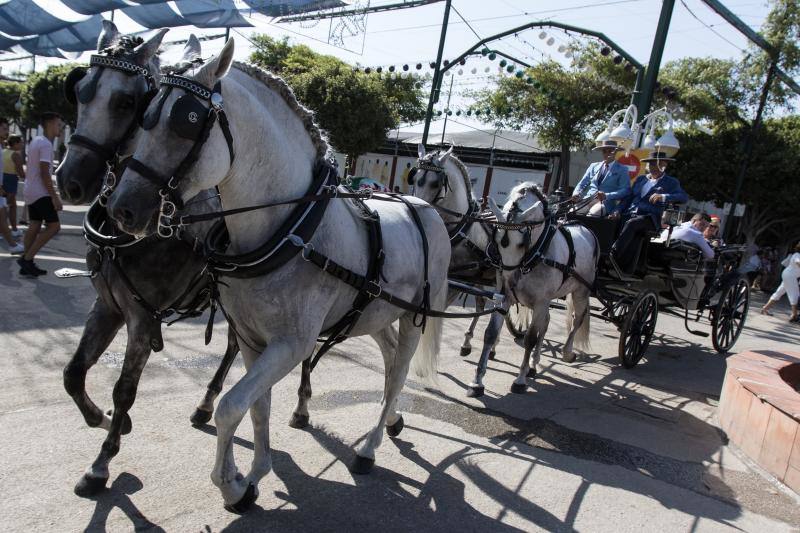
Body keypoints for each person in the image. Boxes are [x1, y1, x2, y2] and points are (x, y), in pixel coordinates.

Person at [610, 151, 688, 273]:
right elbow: (628, 198)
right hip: (630, 214)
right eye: (652, 165)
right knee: (610, 221)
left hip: (651, 218)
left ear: (665, 165)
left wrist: (663, 196)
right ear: (648, 166)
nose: (655, 168)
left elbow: (683, 197)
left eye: (659, 165)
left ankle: (614, 253)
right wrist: (617, 210)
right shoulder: (641, 179)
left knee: (632, 223)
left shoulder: (671, 182)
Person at [17, 112, 63, 278]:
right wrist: (55, 197)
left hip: (30, 190)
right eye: (59, 124)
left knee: (35, 224)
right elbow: (45, 174)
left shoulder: (36, 140)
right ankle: (27, 259)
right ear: (50, 124)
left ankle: (27, 263)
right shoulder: (46, 145)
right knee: (54, 227)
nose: (61, 127)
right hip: (41, 192)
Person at [571, 139, 631, 216]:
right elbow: (582, 183)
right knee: (572, 212)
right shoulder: (593, 166)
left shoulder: (622, 169)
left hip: (605, 203)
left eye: (610, 151)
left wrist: (607, 195)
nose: (607, 153)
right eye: (604, 151)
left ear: (615, 152)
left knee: (592, 214)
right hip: (587, 200)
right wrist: (576, 193)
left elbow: (625, 190)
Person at [761, 242, 800, 322]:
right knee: (795, 294)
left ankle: (765, 309)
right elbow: (798, 262)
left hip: (788, 275)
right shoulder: (797, 255)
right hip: (790, 276)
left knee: (779, 292)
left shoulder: (796, 254)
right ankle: (794, 315)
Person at [3, 134, 25, 238]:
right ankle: (2, 230)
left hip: (3, 179)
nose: (22, 144)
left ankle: (14, 229)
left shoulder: (3, 151)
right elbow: (21, 173)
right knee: (5, 207)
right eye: (21, 142)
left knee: (12, 206)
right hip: (11, 180)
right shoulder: (15, 155)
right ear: (15, 143)